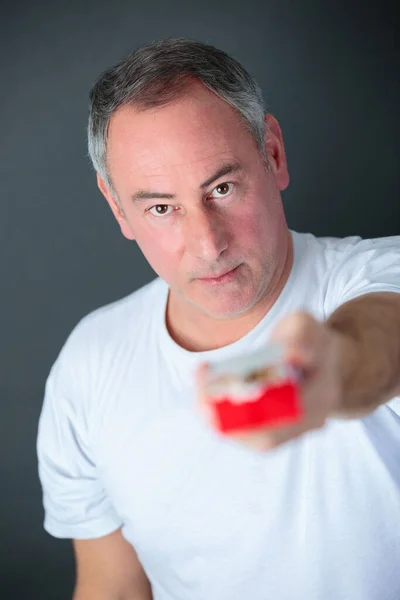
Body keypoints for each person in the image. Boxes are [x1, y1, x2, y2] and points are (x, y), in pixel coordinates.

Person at [37, 37, 400, 600]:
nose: (207, 244)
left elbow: (384, 335)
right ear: (117, 208)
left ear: (273, 155)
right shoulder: (88, 365)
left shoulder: (380, 272)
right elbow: (112, 585)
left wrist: (338, 368)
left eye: (222, 188)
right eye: (162, 207)